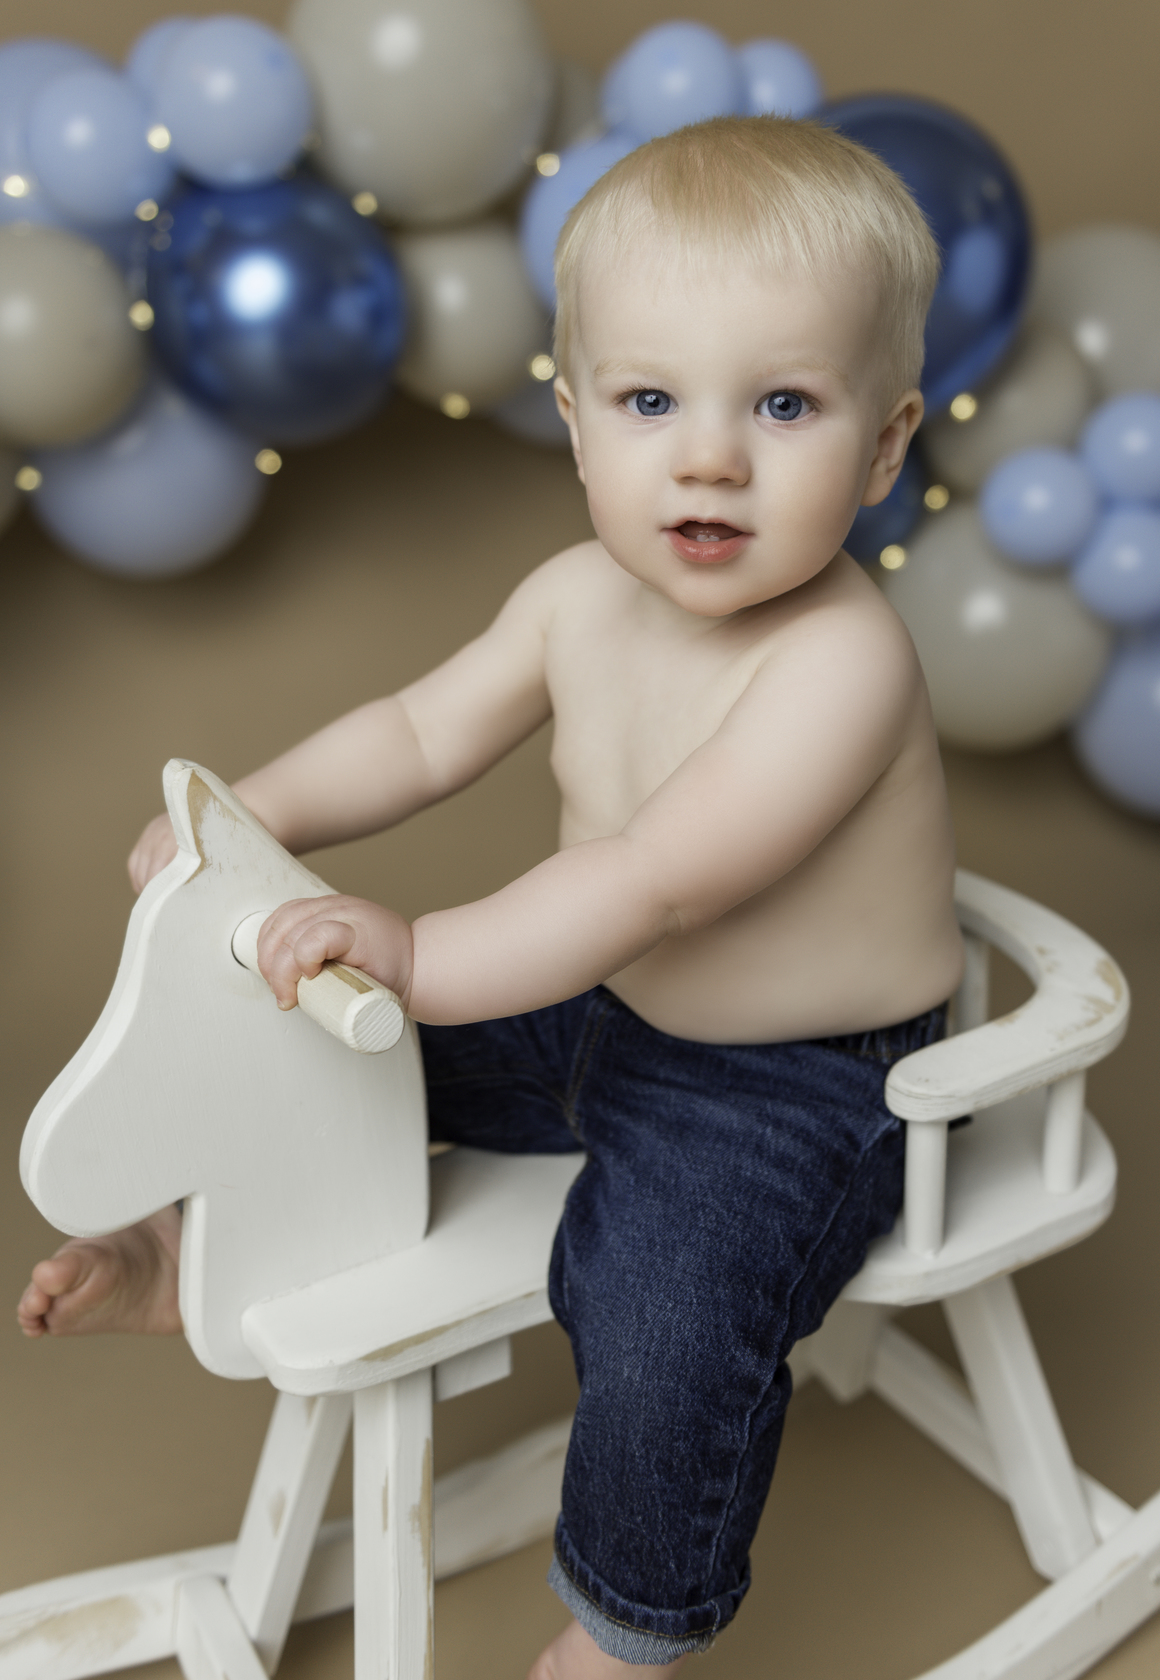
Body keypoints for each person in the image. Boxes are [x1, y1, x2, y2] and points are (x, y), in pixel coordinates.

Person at [18, 117, 963, 1679]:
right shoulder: (578, 596)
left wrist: (413, 953)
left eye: (784, 405)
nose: (710, 458)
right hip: (597, 1006)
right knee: (314, 1058)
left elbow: (655, 881)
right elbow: (417, 732)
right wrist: (254, 815)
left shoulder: (840, 665)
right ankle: (188, 1251)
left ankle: (628, 1624)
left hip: (798, 1086)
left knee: (664, 1309)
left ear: (883, 446)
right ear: (579, 424)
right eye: (651, 401)